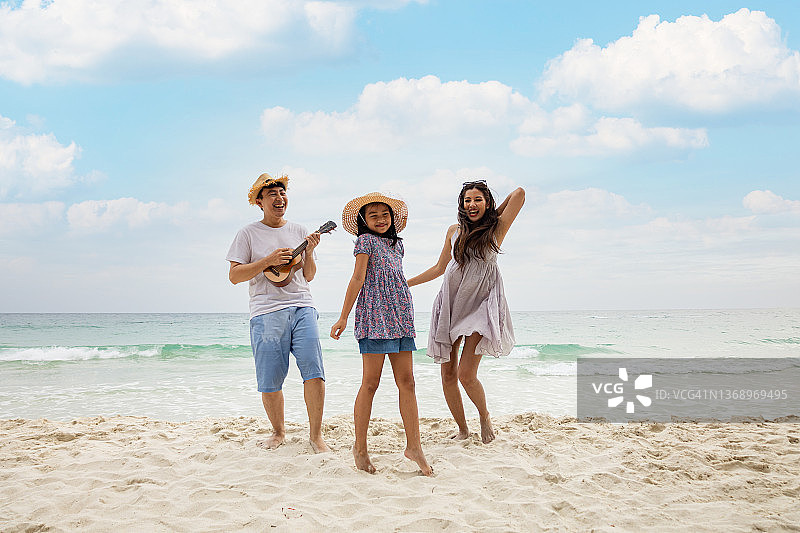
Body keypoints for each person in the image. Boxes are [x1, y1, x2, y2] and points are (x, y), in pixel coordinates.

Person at [407, 181, 525, 444]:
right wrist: (406, 282)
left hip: (480, 304)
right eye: (467, 200)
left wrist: (493, 211)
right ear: (461, 204)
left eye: (478, 200)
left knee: (466, 374)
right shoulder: (453, 231)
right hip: (450, 302)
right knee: (448, 374)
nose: (472, 205)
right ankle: (462, 428)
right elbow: (439, 268)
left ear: (487, 203)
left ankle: (484, 417)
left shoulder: (496, 229)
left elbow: (519, 194)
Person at [330, 192, 433, 476]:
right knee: (371, 383)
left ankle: (415, 447)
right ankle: (360, 448)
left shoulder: (397, 245)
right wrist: (342, 316)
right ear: (364, 220)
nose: (380, 220)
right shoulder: (365, 242)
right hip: (374, 317)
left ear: (393, 218)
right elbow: (358, 278)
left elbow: (397, 279)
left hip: (400, 316)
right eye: (373, 215)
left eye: (385, 215)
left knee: (408, 382)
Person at [227, 173, 329, 453]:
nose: (279, 198)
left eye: (282, 192)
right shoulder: (247, 233)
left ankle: (316, 436)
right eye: (272, 194)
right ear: (259, 201)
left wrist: (308, 252)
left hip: (303, 305)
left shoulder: (299, 230)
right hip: (266, 311)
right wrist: (268, 261)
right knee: (270, 378)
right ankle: (278, 431)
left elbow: (308, 275)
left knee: (314, 370)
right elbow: (234, 275)